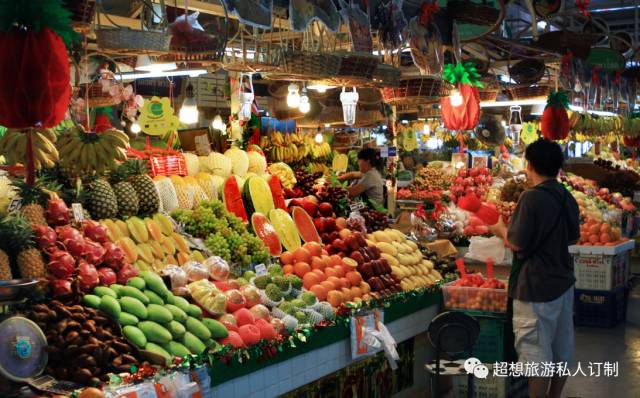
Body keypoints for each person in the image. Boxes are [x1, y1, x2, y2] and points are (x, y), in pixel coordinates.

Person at [489, 139, 580, 398]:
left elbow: (515, 243)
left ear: (530, 165)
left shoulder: (531, 198)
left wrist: (498, 229)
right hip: (563, 284)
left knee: (535, 354)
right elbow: (573, 238)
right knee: (561, 350)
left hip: (535, 287)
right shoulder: (566, 196)